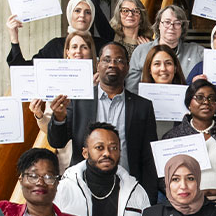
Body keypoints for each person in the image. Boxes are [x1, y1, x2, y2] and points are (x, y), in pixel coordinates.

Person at [46, 41, 160, 204]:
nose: (112, 64)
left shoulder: (142, 106)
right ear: (98, 64)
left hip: (127, 190)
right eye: (107, 60)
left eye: (119, 60)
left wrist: (149, 200)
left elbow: (149, 158)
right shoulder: (78, 101)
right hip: (83, 189)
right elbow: (57, 141)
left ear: (127, 67)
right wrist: (58, 117)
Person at [162, 80, 216, 203]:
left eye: (211, 98)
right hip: (186, 206)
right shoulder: (173, 137)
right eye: (200, 98)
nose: (206, 102)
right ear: (189, 103)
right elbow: (162, 178)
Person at [25, 30, 96, 171]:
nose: (79, 51)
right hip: (68, 159)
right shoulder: (56, 82)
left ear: (90, 52)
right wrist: (39, 115)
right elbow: (50, 130)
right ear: (67, 52)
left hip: (97, 154)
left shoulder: (101, 80)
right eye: (74, 47)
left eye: (84, 47)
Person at [7, 0, 109, 66]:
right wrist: (14, 37)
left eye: (87, 12)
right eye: (77, 10)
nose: (82, 15)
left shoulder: (103, 47)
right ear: (69, 14)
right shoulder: (55, 46)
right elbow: (23, 69)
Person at [127, 5, 207, 92]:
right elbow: (131, 89)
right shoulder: (141, 51)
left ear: (182, 27)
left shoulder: (198, 52)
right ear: (158, 25)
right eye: (167, 22)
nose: (171, 27)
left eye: (177, 23)